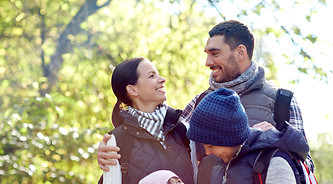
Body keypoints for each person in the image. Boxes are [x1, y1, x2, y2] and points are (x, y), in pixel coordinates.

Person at [97, 20, 314, 175]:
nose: (207, 62)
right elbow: (162, 143)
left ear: (240, 52)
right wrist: (110, 151)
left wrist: (268, 139)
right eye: (207, 54)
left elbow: (305, 168)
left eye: (215, 53)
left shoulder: (281, 102)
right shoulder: (199, 104)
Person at [186, 88, 309, 184]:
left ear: (228, 138)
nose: (207, 153)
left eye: (210, 146)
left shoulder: (274, 163)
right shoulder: (222, 165)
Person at [97, 57, 196, 184]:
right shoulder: (116, 141)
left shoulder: (181, 128)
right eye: (152, 76)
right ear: (132, 89)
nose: (162, 80)